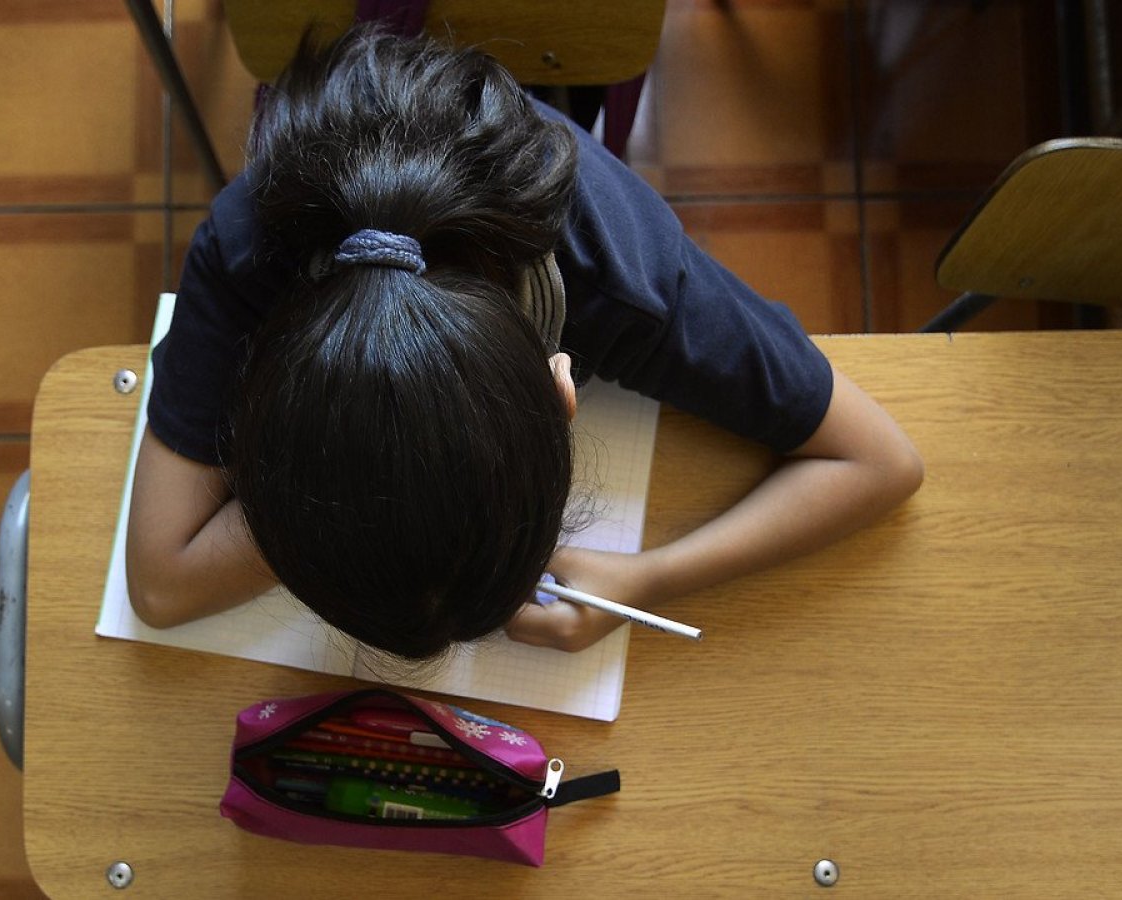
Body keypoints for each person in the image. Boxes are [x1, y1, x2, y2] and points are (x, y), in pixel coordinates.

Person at [125, 25, 923, 661]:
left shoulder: (617, 276)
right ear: (559, 396)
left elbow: (882, 462)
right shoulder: (247, 243)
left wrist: (649, 578)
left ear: (559, 390)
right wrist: (346, 483)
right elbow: (159, 587)